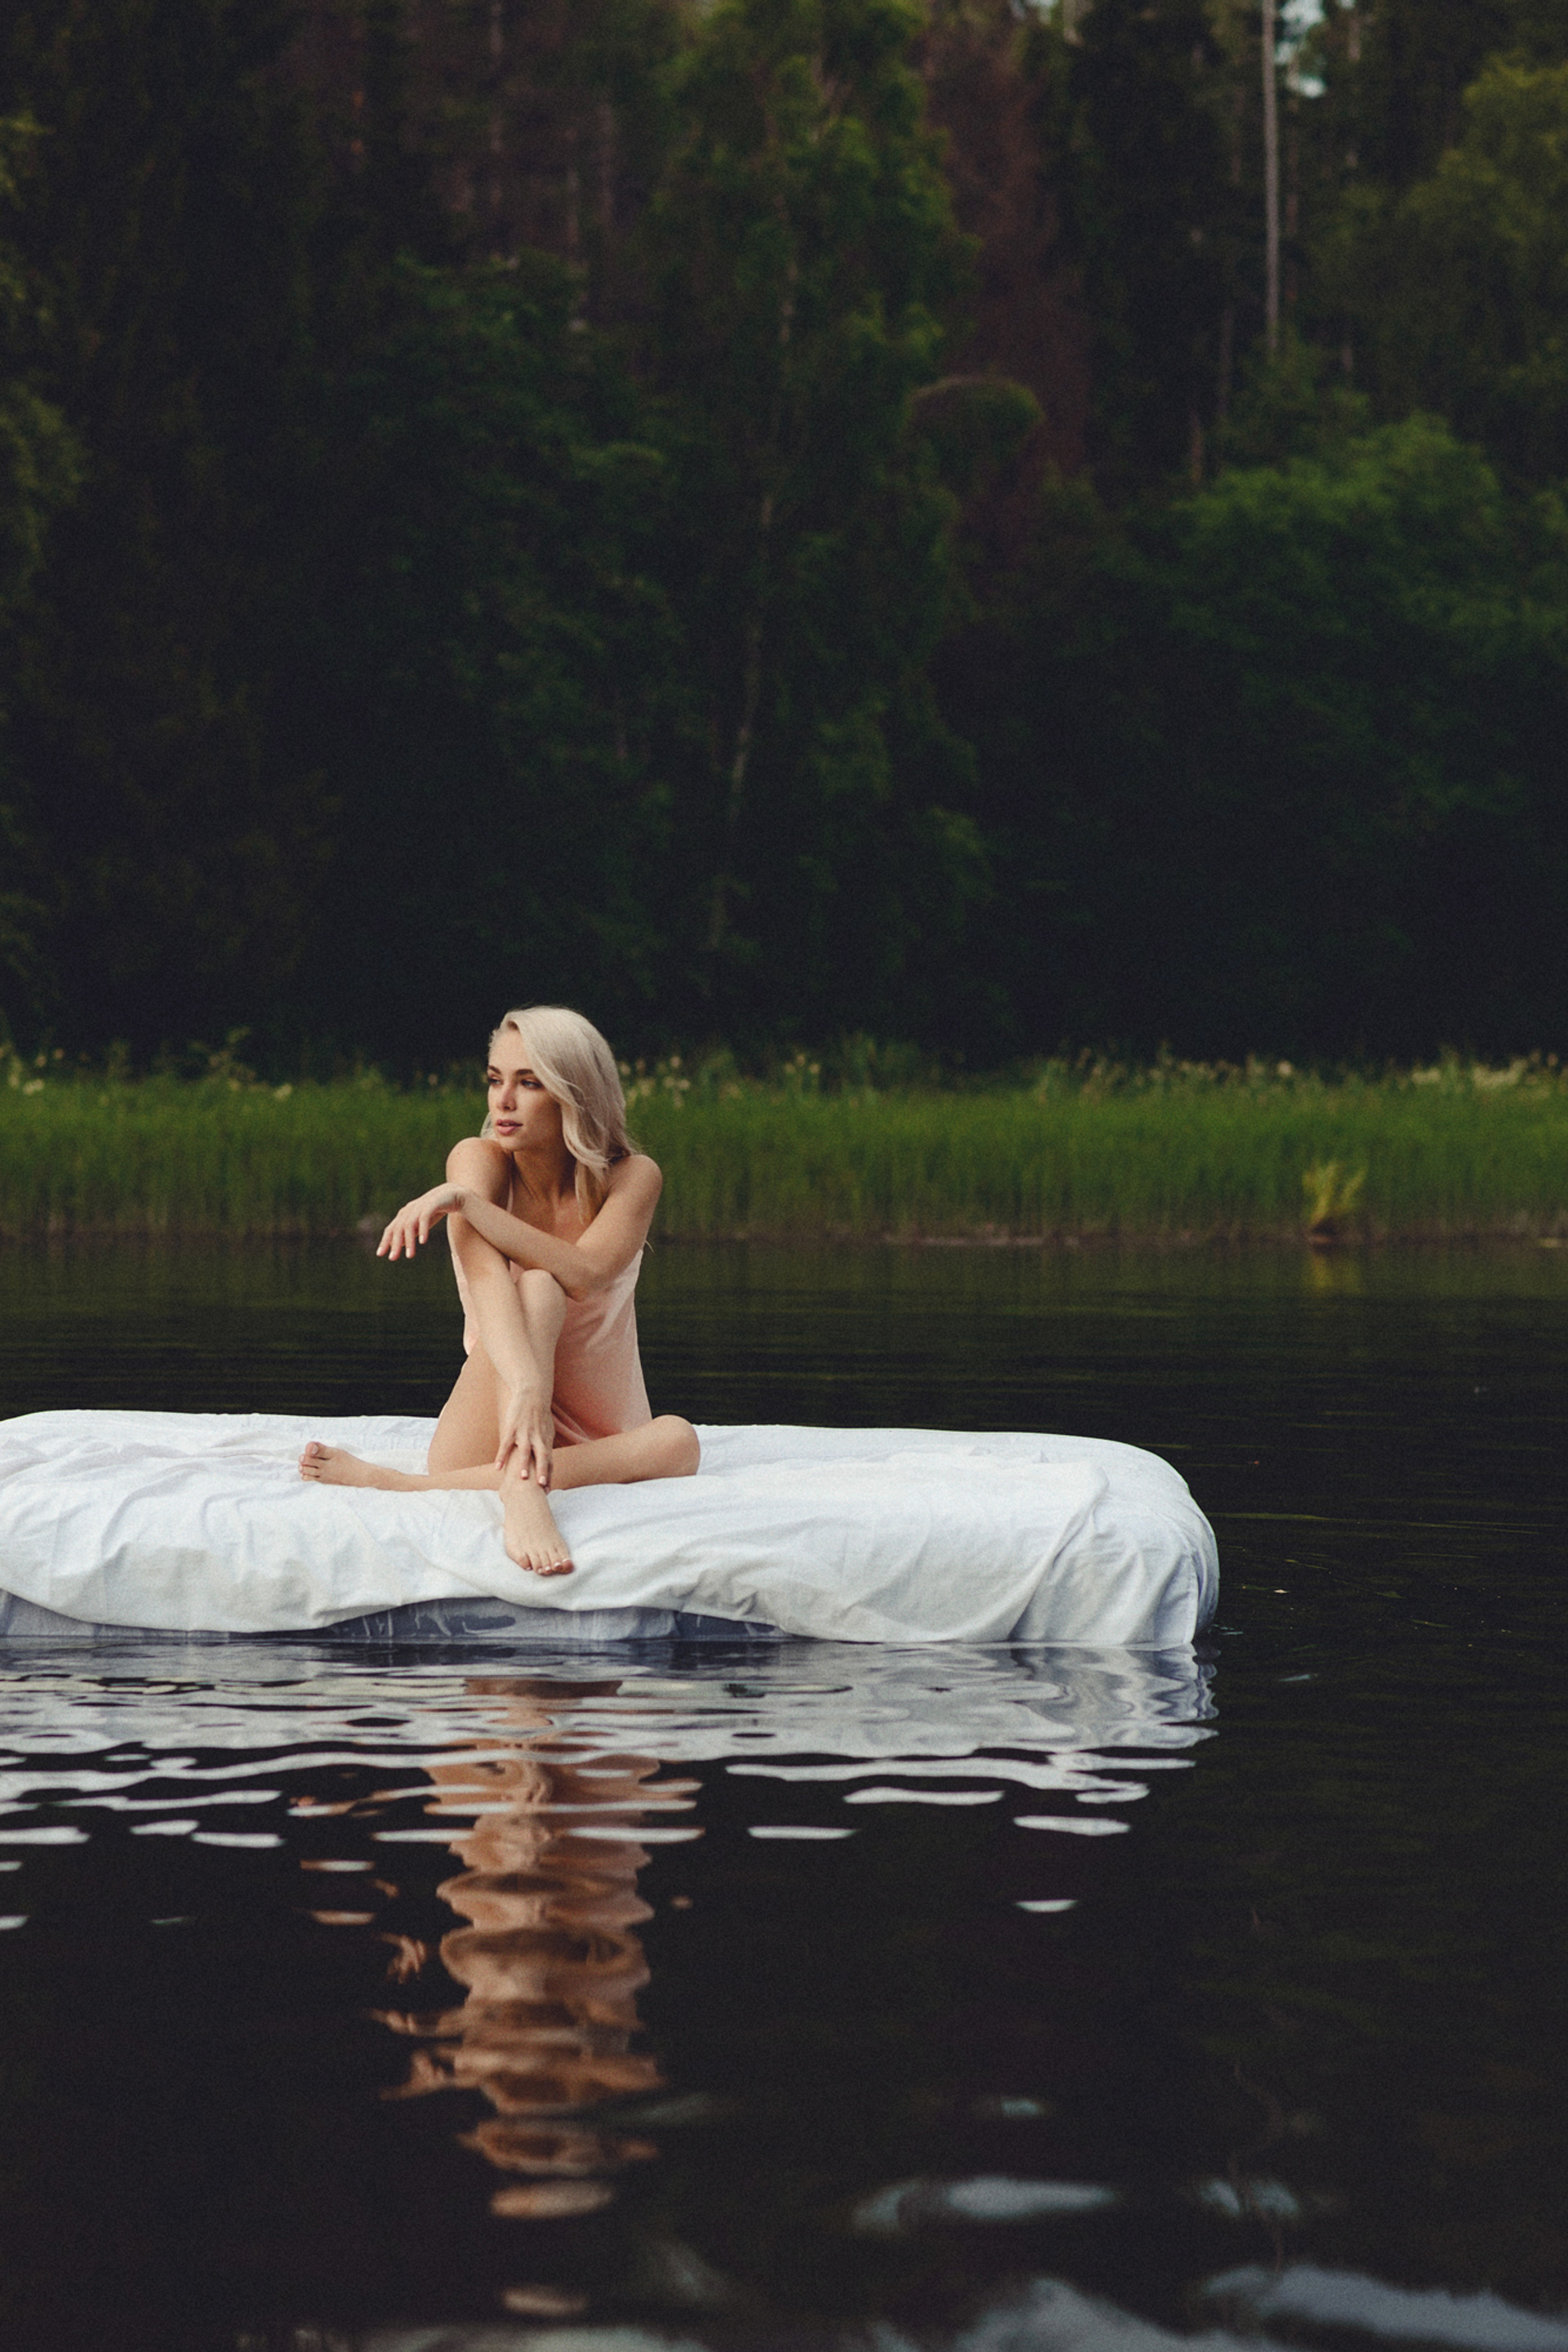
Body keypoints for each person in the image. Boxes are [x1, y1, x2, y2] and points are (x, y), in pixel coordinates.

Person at [298, 1005, 699, 1575]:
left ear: (574, 1093)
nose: (502, 1101)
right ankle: (520, 1490)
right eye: (494, 1080)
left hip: (601, 1429)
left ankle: (399, 1485)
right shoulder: (476, 1160)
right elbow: (489, 1287)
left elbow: (586, 1274)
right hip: (497, 1420)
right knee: (534, 1288)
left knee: (680, 1441)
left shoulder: (633, 1176)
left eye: (528, 1083)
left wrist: (465, 1204)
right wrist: (530, 1390)